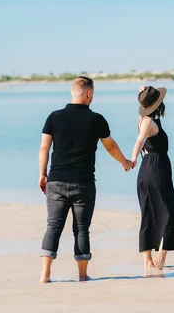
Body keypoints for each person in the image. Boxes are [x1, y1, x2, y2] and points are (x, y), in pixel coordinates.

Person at [38, 76, 133, 283]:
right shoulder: (96, 119)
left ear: (73, 92)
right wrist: (124, 162)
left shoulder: (54, 117)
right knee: (81, 229)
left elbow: (44, 148)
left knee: (53, 226)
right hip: (83, 183)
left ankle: (45, 274)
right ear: (89, 93)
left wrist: (42, 174)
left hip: (56, 181)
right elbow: (111, 146)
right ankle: (82, 275)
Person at [130, 85, 174, 274]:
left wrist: (141, 94)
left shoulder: (142, 119)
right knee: (169, 213)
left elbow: (141, 135)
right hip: (157, 169)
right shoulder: (149, 123)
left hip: (145, 171)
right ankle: (159, 259)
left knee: (148, 213)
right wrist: (133, 158)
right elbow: (140, 139)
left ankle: (147, 261)